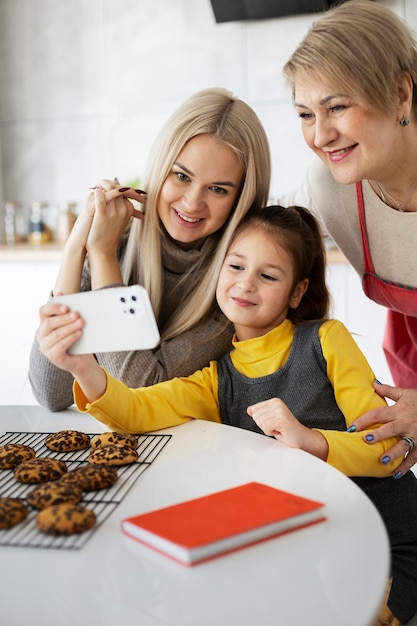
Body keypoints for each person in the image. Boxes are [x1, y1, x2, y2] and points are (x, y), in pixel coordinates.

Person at [39, 204, 417, 625]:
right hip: (309, 550)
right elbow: (137, 409)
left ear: (296, 292)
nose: (246, 284)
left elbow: (389, 449)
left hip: (385, 545)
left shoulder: (326, 340)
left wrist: (311, 440)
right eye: (236, 266)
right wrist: (85, 369)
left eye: (268, 275)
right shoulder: (216, 378)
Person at [29, 87, 271, 412]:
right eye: (181, 176)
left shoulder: (238, 280)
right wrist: (77, 249)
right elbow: (51, 394)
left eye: (217, 189)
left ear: (241, 198)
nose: (192, 202)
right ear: (160, 168)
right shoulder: (115, 239)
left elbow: (139, 391)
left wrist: (100, 256)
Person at [280, 0, 417, 479]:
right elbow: (260, 230)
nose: (320, 135)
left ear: (401, 94)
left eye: (337, 106)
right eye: (304, 114)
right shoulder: (332, 186)